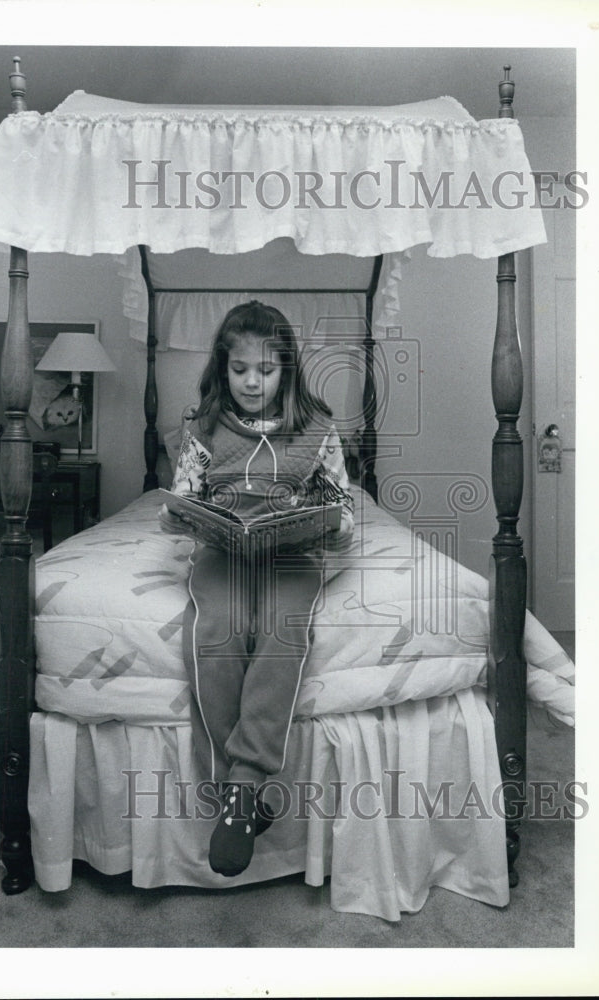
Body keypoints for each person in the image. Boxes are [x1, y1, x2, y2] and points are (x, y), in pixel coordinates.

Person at [159, 300, 355, 877]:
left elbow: (340, 501)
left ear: (286, 370)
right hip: (224, 551)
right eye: (239, 369)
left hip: (291, 554)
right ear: (223, 368)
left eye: (265, 371)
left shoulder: (318, 430)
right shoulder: (202, 428)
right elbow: (184, 495)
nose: (251, 382)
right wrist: (176, 516)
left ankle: (241, 787)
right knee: (215, 631)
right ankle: (243, 798)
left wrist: (335, 524)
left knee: (281, 631)